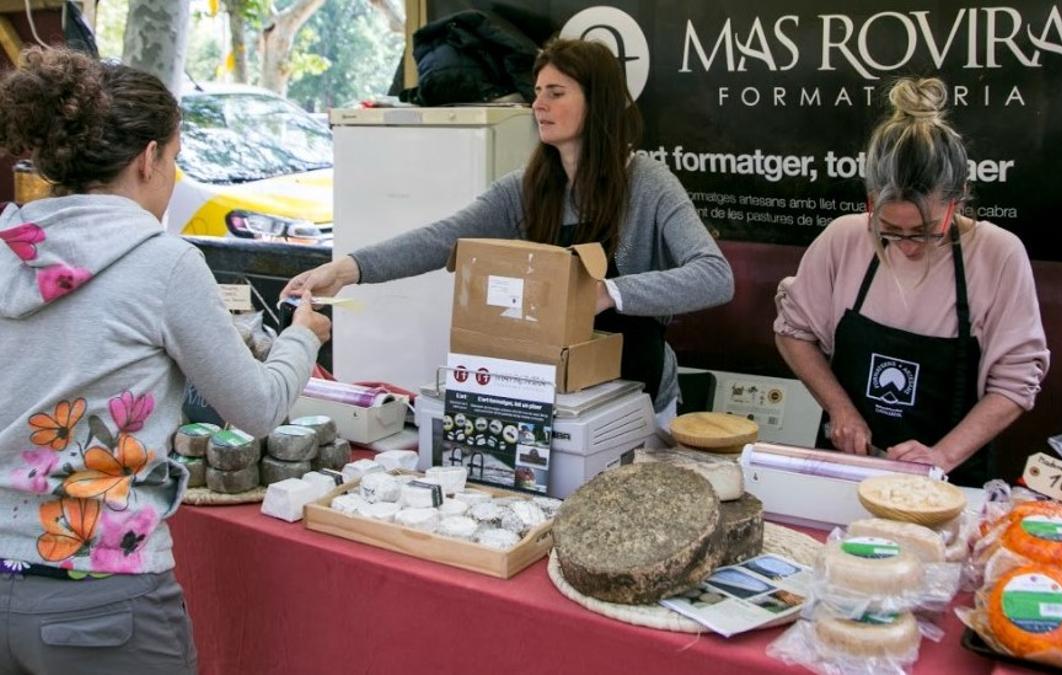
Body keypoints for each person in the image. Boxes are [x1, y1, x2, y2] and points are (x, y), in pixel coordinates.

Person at [0, 48, 330, 673]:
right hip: (101, 598)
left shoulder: (6, 252)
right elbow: (258, 408)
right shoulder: (163, 263)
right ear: (149, 157)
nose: (173, 176)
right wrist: (302, 337)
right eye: (176, 159)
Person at [283, 39, 734, 426]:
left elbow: (715, 276)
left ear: (597, 102)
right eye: (537, 92)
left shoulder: (646, 181)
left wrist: (607, 292)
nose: (539, 104)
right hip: (546, 399)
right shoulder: (524, 190)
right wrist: (347, 269)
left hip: (635, 403)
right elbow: (442, 238)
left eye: (556, 92)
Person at [773, 77, 1049, 487]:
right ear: (871, 204)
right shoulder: (844, 239)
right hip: (848, 471)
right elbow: (793, 333)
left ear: (957, 201)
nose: (907, 247)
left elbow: (1016, 384)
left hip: (949, 483)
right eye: (889, 230)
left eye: (924, 231)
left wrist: (940, 456)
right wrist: (840, 410)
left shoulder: (998, 255)